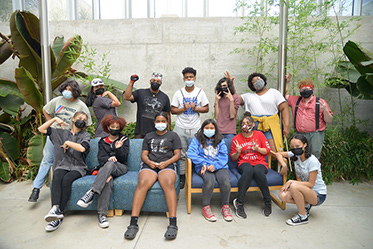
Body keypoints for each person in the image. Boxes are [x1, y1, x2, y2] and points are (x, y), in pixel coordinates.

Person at [28, 79, 92, 202]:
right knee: (47, 160)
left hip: (70, 136)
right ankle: (36, 189)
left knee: (63, 162)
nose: (67, 92)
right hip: (56, 134)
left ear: (75, 92)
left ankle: (58, 195)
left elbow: (86, 123)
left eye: (70, 90)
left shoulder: (81, 106)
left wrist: (76, 135)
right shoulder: (57, 100)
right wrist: (52, 122)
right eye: (65, 89)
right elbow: (46, 110)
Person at [124, 112, 181, 240]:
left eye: (163, 121)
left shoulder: (173, 135)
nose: (160, 123)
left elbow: (177, 154)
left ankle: (172, 223)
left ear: (167, 122)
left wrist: (166, 162)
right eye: (158, 121)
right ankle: (133, 223)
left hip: (167, 165)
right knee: (143, 184)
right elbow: (144, 154)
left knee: (168, 184)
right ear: (154, 123)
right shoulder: (148, 136)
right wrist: (149, 162)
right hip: (149, 165)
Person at [39, 111, 90, 232]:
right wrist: (54, 119)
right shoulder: (60, 133)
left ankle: (58, 214)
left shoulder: (85, 135)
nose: (82, 120)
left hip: (78, 167)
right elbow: (41, 129)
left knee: (67, 180)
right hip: (63, 165)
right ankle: (55, 209)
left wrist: (68, 143)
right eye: (79, 118)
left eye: (84, 119)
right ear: (73, 119)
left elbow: (82, 148)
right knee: (57, 176)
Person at [77, 115, 129, 228]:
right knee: (107, 179)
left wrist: (118, 148)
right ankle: (102, 215)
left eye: (117, 127)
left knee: (110, 164)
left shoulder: (124, 139)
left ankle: (91, 192)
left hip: (121, 167)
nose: (114, 128)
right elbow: (101, 159)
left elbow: (124, 158)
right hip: (106, 168)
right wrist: (109, 158)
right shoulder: (102, 141)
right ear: (107, 127)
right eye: (112, 126)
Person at [274, 134, 327, 226]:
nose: (295, 149)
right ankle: (306, 205)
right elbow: (277, 154)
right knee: (283, 196)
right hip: (305, 190)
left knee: (294, 186)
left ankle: (303, 216)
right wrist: (284, 165)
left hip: (318, 195)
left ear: (305, 145)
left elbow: (311, 184)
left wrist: (291, 181)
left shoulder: (312, 161)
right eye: (293, 147)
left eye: (298, 146)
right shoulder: (296, 155)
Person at [187, 119, 233, 222]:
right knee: (209, 181)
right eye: (206, 128)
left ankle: (225, 206)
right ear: (202, 129)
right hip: (203, 167)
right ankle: (206, 207)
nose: (209, 130)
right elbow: (190, 153)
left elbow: (224, 157)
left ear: (215, 129)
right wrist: (205, 164)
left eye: (211, 128)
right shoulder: (197, 140)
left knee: (225, 181)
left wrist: (214, 166)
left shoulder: (220, 140)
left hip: (219, 166)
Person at [171, 67, 209, 189]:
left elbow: (206, 108)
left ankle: (193, 174)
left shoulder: (200, 92)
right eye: (187, 77)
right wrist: (183, 108)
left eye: (191, 77)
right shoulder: (178, 93)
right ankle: (182, 176)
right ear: (183, 79)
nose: (189, 79)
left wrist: (195, 108)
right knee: (181, 153)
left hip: (195, 127)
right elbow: (172, 110)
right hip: (180, 126)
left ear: (195, 78)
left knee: (196, 152)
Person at [230, 113, 272, 219]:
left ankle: (268, 201)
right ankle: (240, 203)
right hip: (244, 163)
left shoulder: (260, 135)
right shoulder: (236, 138)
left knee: (258, 171)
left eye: (248, 123)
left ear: (253, 124)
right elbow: (233, 158)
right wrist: (238, 152)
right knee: (248, 170)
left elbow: (267, 151)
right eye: (243, 123)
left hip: (260, 162)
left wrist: (257, 149)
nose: (245, 125)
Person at [240, 73, 290, 153]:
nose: (257, 81)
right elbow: (235, 99)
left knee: (273, 150)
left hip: (270, 125)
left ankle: (273, 165)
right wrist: (231, 84)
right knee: (255, 149)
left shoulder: (274, 92)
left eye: (259, 79)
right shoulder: (247, 96)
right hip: (254, 125)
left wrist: (286, 126)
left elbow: (284, 108)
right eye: (254, 81)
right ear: (252, 85)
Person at [285, 77, 333, 159]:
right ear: (300, 91)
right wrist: (288, 82)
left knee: (314, 156)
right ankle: (300, 171)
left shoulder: (320, 102)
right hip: (299, 134)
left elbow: (329, 120)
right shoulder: (295, 100)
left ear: (312, 90)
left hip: (315, 134)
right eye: (303, 89)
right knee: (298, 155)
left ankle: (313, 171)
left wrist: (325, 110)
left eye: (308, 88)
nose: (305, 90)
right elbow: (286, 95)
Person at [123, 72, 171, 138]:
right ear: (150, 81)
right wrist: (132, 82)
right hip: (140, 131)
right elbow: (127, 97)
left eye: (158, 81)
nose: (155, 82)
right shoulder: (141, 93)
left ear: (160, 83)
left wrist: (168, 130)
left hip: (157, 132)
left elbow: (167, 114)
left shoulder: (164, 97)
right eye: (154, 80)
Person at [214, 73, 241, 141]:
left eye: (224, 86)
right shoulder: (219, 98)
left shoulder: (235, 98)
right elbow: (217, 117)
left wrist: (231, 100)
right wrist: (216, 102)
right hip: (219, 132)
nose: (223, 88)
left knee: (228, 151)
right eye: (221, 86)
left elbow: (232, 116)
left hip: (230, 132)